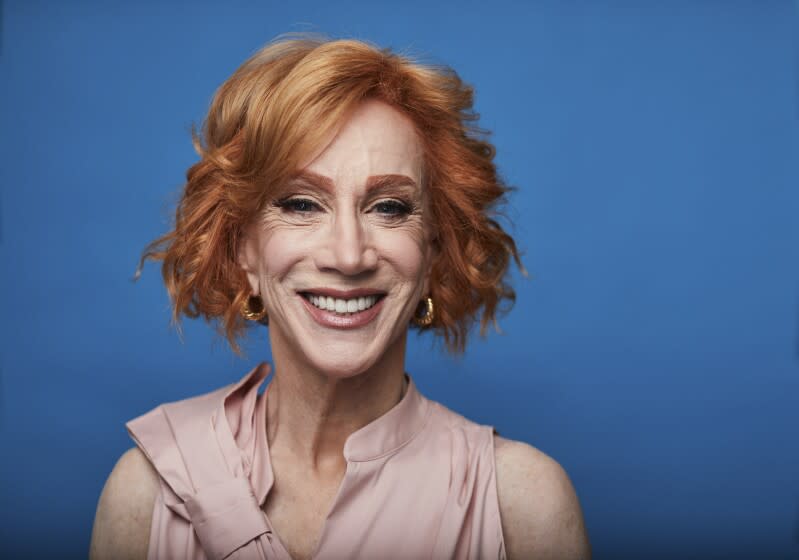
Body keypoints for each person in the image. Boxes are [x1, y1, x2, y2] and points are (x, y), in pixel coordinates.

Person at [89, 35, 591, 560]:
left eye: (390, 208)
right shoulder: (147, 495)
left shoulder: (523, 506)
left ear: (434, 251)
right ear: (243, 248)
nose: (348, 256)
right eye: (302, 204)